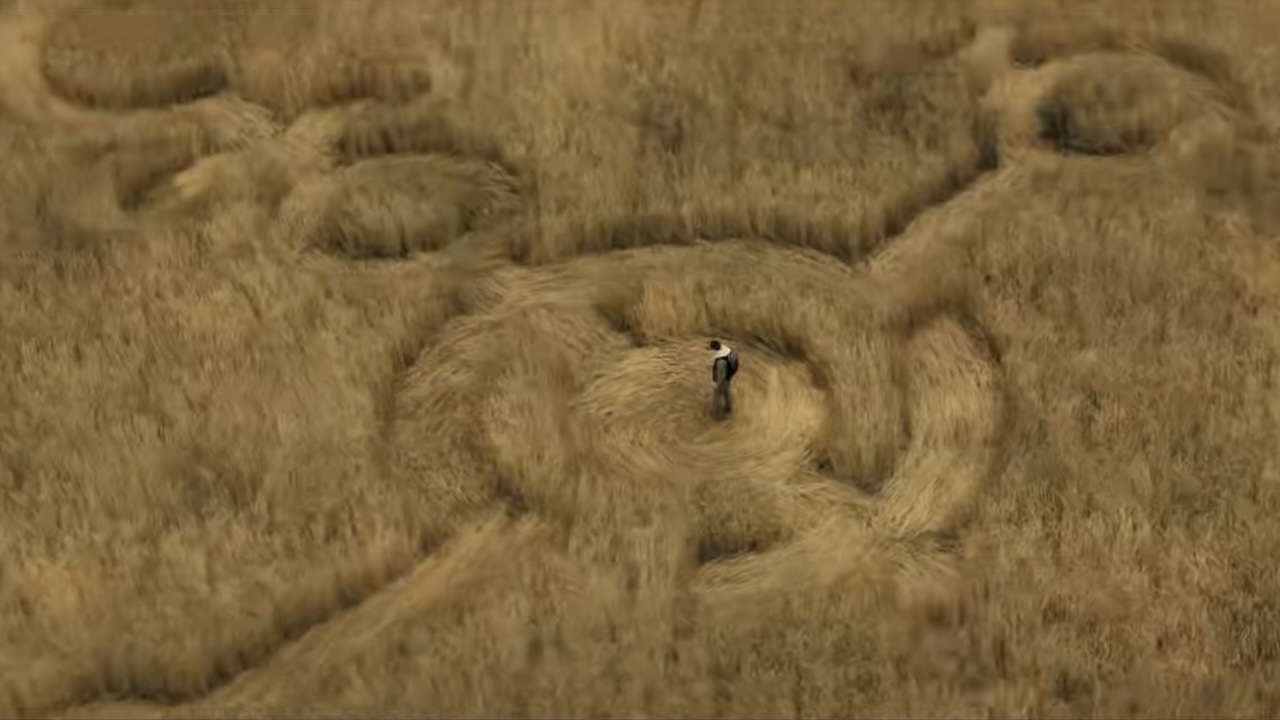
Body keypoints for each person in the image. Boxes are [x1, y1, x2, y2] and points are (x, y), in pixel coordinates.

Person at [708, 340, 738, 419]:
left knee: (717, 396)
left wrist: (716, 383)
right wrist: (729, 376)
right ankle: (728, 408)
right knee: (726, 393)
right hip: (728, 377)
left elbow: (720, 375)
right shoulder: (728, 351)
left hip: (722, 380)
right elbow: (734, 364)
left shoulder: (721, 361)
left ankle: (716, 414)